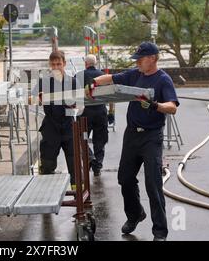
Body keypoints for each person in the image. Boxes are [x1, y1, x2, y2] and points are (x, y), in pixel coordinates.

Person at [85, 42, 179, 241]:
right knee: (125, 179)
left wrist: (155, 105)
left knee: (153, 183)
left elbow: (172, 107)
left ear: (152, 58)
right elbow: (108, 78)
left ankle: (160, 232)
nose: (137, 62)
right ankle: (135, 214)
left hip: (151, 136)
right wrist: (92, 85)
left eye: (140, 59)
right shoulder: (134, 74)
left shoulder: (163, 80)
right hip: (132, 136)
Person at [30, 50, 77, 187]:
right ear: (50, 65)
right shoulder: (43, 82)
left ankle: (78, 197)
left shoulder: (73, 82)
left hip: (69, 126)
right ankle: (46, 194)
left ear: (65, 64)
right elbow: (31, 99)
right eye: (53, 64)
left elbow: (81, 104)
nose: (56, 67)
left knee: (74, 165)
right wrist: (37, 98)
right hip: (50, 126)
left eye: (59, 64)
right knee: (47, 164)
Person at [76, 54, 108, 176]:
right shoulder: (103, 76)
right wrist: (111, 113)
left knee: (81, 138)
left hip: (85, 113)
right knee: (100, 139)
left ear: (85, 63)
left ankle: (90, 157)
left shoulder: (79, 76)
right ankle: (97, 166)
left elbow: (73, 93)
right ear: (96, 63)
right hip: (101, 112)